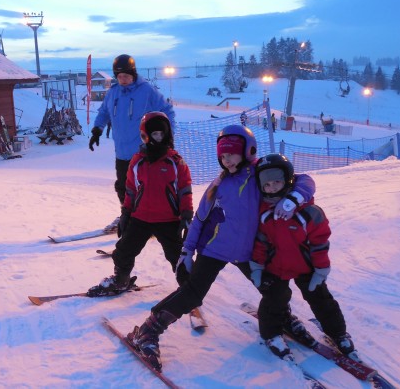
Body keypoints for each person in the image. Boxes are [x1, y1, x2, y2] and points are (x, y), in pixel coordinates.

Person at [125, 125, 316, 371]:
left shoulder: (260, 172)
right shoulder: (218, 185)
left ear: (248, 151)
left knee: (275, 289)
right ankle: (149, 330)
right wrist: (187, 251)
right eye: (222, 155)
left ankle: (282, 317)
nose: (226, 159)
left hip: (250, 251)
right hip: (216, 248)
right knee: (193, 293)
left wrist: (293, 199)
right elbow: (200, 220)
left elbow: (304, 180)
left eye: (232, 153)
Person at [250, 153, 357, 360]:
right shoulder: (264, 213)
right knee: (275, 300)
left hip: (306, 267)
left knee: (321, 299)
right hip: (276, 268)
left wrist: (321, 269)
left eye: (277, 182)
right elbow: (261, 242)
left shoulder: (309, 212)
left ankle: (338, 333)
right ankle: (271, 334)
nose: (272, 187)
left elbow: (319, 244)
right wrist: (257, 266)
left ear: (288, 180)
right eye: (267, 184)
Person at [87, 112, 193, 296]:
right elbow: (130, 190)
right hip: (140, 218)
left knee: (177, 256)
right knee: (122, 252)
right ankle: (121, 280)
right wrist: (125, 213)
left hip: (169, 220)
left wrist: (186, 215)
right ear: (144, 136)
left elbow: (185, 190)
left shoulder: (175, 162)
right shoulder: (138, 161)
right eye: (153, 135)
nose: (157, 139)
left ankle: (188, 287)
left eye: (161, 134)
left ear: (167, 135)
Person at [89, 54, 175, 231]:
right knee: (122, 187)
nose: (123, 80)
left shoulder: (146, 91)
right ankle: (129, 215)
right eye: (120, 77)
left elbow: (167, 111)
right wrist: (97, 130)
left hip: (142, 151)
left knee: (144, 188)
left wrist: (168, 136)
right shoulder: (113, 93)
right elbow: (104, 112)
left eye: (126, 76)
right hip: (121, 151)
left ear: (133, 74)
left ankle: (147, 219)